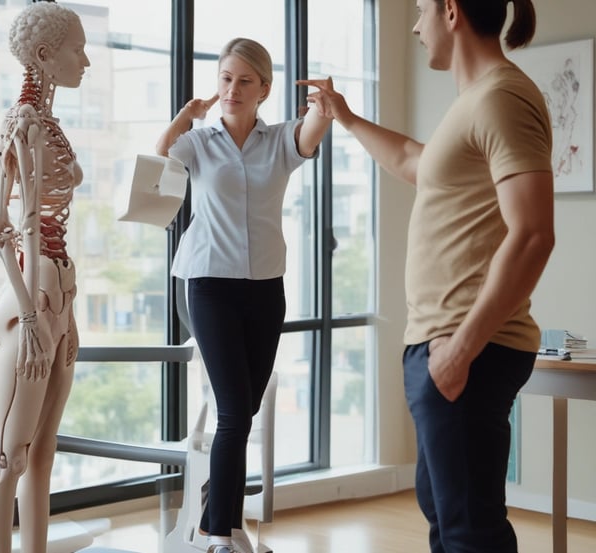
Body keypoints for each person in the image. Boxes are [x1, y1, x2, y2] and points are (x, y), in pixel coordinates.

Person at [300, 1, 554, 552]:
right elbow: (416, 163)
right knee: (448, 519)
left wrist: (460, 350)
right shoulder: (474, 102)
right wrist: (344, 116)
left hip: (469, 348)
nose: (415, 26)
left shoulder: (502, 98)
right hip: (446, 346)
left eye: (420, 11)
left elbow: (533, 233)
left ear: (450, 10)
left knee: (469, 532)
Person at [156, 37, 332, 553]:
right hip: (206, 283)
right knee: (234, 412)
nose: (231, 89)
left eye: (244, 81)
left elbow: (312, 134)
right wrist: (185, 115)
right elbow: (161, 156)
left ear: (264, 89)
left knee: (244, 409)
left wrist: (324, 107)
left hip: (265, 288)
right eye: (225, 78)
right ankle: (218, 538)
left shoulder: (279, 141)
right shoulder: (200, 141)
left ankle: (220, 520)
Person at [0, 2, 89, 552]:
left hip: (59, 295)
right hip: (33, 298)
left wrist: (62, 316)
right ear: (46, 55)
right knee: (11, 458)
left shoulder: (49, 124)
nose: (86, 61)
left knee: (44, 455)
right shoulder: (23, 123)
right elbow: (5, 227)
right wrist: (31, 318)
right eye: (78, 49)